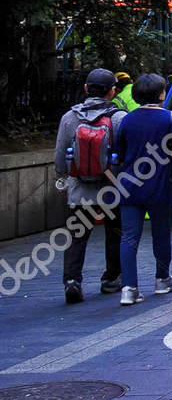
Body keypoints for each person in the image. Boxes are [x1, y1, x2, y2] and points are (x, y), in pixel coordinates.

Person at [111, 73, 172, 305]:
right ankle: (162, 279)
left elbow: (119, 153)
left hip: (129, 185)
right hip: (161, 184)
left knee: (129, 237)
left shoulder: (127, 120)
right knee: (161, 234)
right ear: (161, 94)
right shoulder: (171, 118)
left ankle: (129, 288)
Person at [53, 68, 122, 304]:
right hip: (112, 187)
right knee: (115, 232)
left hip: (80, 188)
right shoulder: (118, 118)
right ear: (112, 91)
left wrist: (64, 177)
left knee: (77, 235)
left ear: (85, 89)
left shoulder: (70, 118)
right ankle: (112, 279)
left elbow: (60, 157)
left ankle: (72, 281)